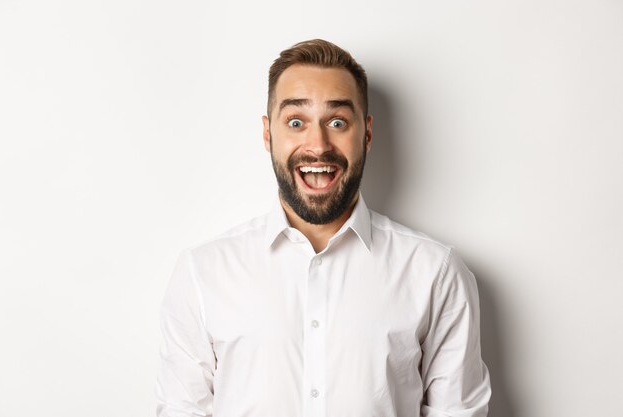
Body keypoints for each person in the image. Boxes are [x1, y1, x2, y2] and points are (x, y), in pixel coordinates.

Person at [156, 39, 491, 417]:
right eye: (296, 122)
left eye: (337, 122)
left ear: (366, 133)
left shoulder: (435, 272)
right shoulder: (203, 274)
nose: (317, 145)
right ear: (268, 134)